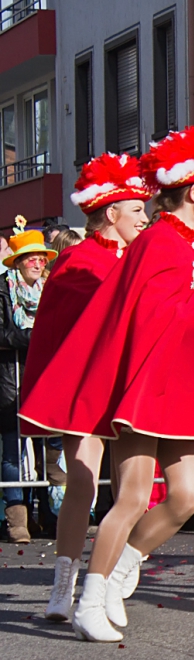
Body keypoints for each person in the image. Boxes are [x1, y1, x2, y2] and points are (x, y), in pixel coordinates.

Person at [20, 127, 194, 642]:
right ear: (193, 191)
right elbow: (151, 316)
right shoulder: (159, 241)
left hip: (178, 387)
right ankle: (86, 595)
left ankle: (119, 569)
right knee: (126, 496)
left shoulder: (183, 242)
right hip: (143, 388)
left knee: (187, 496)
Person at [21, 153, 152, 618]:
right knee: (81, 481)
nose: (146, 217)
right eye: (137, 210)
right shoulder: (79, 258)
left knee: (134, 488)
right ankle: (63, 585)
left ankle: (112, 576)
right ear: (110, 213)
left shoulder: (144, 257)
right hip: (89, 388)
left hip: (128, 387)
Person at [0, 219, 55, 544]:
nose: (37, 263)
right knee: (14, 450)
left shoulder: (51, 290)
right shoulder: (2, 290)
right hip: (11, 380)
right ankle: (17, 518)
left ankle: (50, 515)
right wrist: (30, 337)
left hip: (45, 379)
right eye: (31, 257)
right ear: (18, 262)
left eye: (42, 257)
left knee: (48, 448)